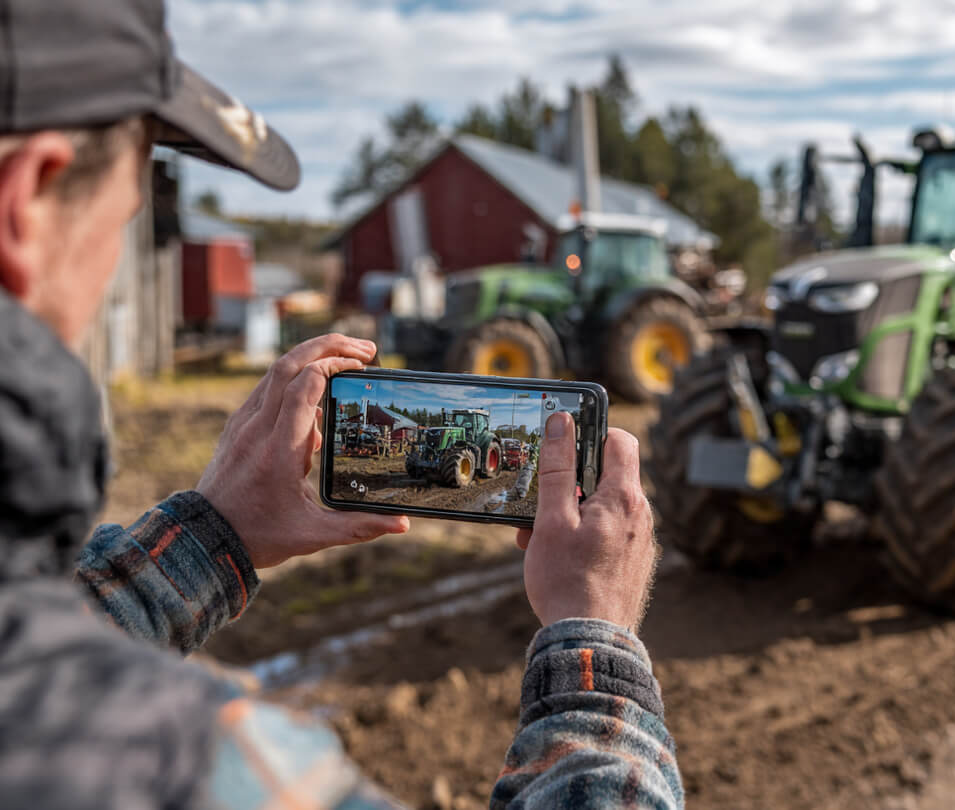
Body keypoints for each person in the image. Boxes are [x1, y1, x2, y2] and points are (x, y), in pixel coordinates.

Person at [0, 1, 682, 807]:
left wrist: (210, 534)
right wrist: (595, 647)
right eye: (124, 219)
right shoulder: (188, 770)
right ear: (27, 204)